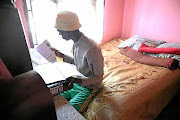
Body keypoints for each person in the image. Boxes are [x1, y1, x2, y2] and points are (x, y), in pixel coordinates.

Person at [51, 11, 104, 113]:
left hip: (89, 87)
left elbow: (98, 77)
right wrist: (61, 55)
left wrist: (78, 81)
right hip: (77, 83)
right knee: (54, 99)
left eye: (60, 32)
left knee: (69, 113)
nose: (59, 34)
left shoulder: (91, 49)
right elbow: (78, 61)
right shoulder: (77, 43)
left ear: (68, 30)